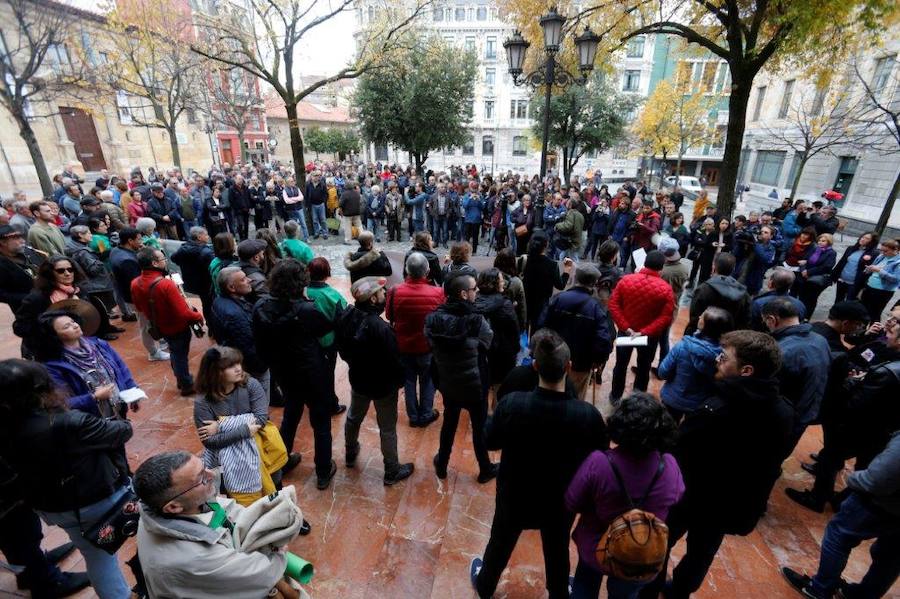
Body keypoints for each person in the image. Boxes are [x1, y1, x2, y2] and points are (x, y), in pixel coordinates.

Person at [642, 331, 795, 599]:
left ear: (746, 370)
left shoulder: (718, 409)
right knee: (702, 553)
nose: (717, 360)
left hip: (692, 496)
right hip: (731, 504)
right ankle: (680, 591)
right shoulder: (783, 411)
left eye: (724, 358)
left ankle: (650, 589)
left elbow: (681, 449)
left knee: (662, 543)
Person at [471, 330, 608, 599]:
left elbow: (489, 441)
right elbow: (600, 459)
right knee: (556, 548)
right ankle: (558, 592)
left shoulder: (512, 404)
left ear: (534, 366)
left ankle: (485, 584)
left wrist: (493, 416)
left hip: (515, 493)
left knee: (500, 541)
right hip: (561, 499)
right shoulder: (588, 416)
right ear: (568, 367)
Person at [0, 359, 134, 599]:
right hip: (92, 500)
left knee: (88, 547)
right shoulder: (68, 422)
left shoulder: (6, 424)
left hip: (50, 504)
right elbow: (122, 432)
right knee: (102, 559)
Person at [133, 451, 300, 599]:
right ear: (173, 507)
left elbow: (224, 509)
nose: (212, 474)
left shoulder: (163, 508)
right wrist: (279, 551)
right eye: (201, 479)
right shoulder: (195, 559)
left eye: (204, 466)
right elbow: (264, 572)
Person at [566, 393, 684, 599]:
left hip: (595, 545)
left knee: (585, 586)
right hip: (639, 554)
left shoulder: (599, 463)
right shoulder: (669, 466)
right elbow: (677, 496)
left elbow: (572, 501)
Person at [781, 427, 900, 598]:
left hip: (879, 503)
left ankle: (819, 589)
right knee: (891, 557)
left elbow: (877, 480)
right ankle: (862, 595)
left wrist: (854, 479)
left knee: (838, 536)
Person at [253, 259, 337, 490]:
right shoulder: (306, 309)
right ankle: (322, 470)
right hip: (311, 370)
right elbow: (326, 328)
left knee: (291, 415)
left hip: (283, 370)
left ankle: (282, 460)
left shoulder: (260, 307)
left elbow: (260, 342)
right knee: (320, 421)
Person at [784, 300, 872, 513]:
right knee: (828, 451)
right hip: (815, 406)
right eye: (858, 325)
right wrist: (854, 381)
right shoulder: (837, 351)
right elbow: (834, 388)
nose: (858, 330)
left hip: (790, 398)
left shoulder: (808, 329)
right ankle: (819, 495)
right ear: (846, 323)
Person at [335, 277, 415, 485]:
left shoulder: (347, 315)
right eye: (381, 292)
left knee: (354, 417)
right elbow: (395, 361)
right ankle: (392, 469)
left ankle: (350, 453)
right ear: (372, 299)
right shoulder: (381, 328)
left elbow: (342, 349)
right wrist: (399, 382)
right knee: (387, 427)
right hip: (382, 386)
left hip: (359, 380)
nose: (384, 295)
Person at [193, 347, 288, 505]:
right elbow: (209, 441)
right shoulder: (203, 402)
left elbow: (261, 419)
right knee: (239, 500)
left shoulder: (250, 384)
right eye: (231, 366)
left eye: (238, 363)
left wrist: (221, 424)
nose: (238, 368)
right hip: (229, 460)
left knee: (275, 482)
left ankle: (285, 510)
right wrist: (244, 430)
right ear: (215, 372)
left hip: (262, 447)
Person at [426, 274, 497, 483]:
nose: (477, 292)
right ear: (464, 294)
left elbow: (430, 342)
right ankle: (485, 467)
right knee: (479, 426)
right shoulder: (476, 320)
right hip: (475, 383)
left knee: (449, 423)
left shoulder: (433, 319)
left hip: (448, 382)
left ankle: (442, 464)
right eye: (474, 289)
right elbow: (487, 342)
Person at [33, 311, 139, 420]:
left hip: (117, 404)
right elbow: (60, 403)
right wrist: (93, 397)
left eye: (73, 321)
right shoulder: (53, 366)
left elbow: (121, 367)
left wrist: (133, 392)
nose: (75, 325)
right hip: (90, 419)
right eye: (66, 326)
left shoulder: (99, 344)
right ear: (54, 336)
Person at [131, 247, 205, 396]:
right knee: (179, 355)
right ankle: (186, 383)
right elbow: (183, 313)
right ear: (154, 263)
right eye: (162, 259)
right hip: (176, 326)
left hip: (159, 326)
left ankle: (181, 379)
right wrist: (198, 317)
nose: (165, 261)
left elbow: (139, 307)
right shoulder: (166, 284)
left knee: (175, 352)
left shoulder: (135, 283)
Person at [761, 297, 832, 449]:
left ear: (772, 319)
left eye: (765, 321)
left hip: (781, 420)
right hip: (807, 412)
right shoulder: (820, 340)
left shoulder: (780, 351)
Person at [538, 263, 612, 401]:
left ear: (576, 278)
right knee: (575, 397)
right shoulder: (596, 307)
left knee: (550, 395)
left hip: (554, 358)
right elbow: (603, 340)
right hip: (581, 364)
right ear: (594, 283)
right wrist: (598, 360)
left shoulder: (558, 298)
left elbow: (542, 325)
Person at [608, 250, 675, 403]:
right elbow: (665, 317)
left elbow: (613, 304)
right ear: (661, 268)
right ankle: (638, 399)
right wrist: (644, 332)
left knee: (621, 364)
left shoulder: (626, 280)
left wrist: (625, 327)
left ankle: (615, 396)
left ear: (644, 263)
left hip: (626, 333)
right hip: (648, 337)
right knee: (644, 367)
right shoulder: (665, 289)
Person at [387, 252, 444, 427]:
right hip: (427, 346)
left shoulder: (394, 291)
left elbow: (390, 315)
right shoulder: (438, 293)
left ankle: (413, 415)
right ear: (427, 271)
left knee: (409, 381)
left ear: (407, 270)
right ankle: (426, 413)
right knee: (428, 380)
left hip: (403, 345)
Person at [658, 307, 733, 423]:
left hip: (673, 399)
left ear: (705, 325)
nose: (699, 317)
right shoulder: (724, 356)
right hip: (699, 404)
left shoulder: (682, 346)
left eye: (702, 317)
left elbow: (663, 372)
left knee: (667, 428)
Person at [210, 267, 272, 398]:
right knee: (259, 399)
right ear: (232, 287)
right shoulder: (235, 314)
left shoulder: (219, 301)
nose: (249, 280)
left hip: (235, 360)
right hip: (251, 366)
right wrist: (262, 367)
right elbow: (248, 346)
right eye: (243, 279)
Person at [110, 228, 169, 359]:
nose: (141, 241)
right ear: (130, 241)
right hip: (138, 299)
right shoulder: (127, 260)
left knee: (151, 321)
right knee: (146, 324)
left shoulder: (116, 250)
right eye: (139, 239)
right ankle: (153, 352)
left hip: (130, 296)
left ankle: (162, 340)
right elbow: (139, 284)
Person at [305, 257, 348, 417]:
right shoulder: (330, 294)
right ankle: (331, 404)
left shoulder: (303, 291)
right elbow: (344, 314)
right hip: (327, 339)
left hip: (307, 339)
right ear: (327, 273)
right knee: (327, 373)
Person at [474, 268, 521, 402]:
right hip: (502, 354)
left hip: (480, 352)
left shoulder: (474, 302)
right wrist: (515, 349)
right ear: (495, 283)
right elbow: (514, 330)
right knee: (500, 390)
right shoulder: (505, 304)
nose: (503, 283)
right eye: (501, 280)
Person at [684, 253, 750, 336]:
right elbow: (745, 320)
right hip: (728, 338)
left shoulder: (704, 289)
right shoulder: (744, 294)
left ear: (713, 267)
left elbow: (694, 316)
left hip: (702, 335)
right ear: (733, 269)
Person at [522, 234, 573, 333]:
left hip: (525, 299)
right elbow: (560, 285)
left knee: (522, 330)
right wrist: (567, 270)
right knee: (537, 331)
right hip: (541, 303)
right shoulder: (551, 265)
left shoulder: (524, 260)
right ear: (546, 246)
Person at [171, 226, 214, 322]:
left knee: (205, 304)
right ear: (199, 237)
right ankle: (214, 327)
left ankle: (211, 327)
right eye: (206, 235)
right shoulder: (206, 252)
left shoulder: (183, 249)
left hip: (192, 283)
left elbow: (174, 258)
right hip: (207, 283)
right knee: (211, 305)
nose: (208, 236)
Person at [0, 224, 44, 314]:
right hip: (26, 309)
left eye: (22, 237)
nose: (22, 241)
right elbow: (2, 295)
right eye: (16, 238)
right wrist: (30, 297)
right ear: (3, 242)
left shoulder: (28, 252)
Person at [795, 233, 838, 319]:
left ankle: (806, 317)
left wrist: (809, 272)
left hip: (817, 279)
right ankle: (798, 313)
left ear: (829, 242)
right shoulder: (815, 249)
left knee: (811, 299)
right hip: (805, 276)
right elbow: (805, 259)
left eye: (823, 241)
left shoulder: (831, 253)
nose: (820, 242)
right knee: (802, 296)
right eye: (819, 240)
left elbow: (826, 267)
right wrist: (803, 270)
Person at [832, 231, 880, 302]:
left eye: (867, 238)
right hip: (842, 280)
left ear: (872, 241)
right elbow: (841, 262)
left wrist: (866, 260)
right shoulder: (851, 248)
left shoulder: (874, 253)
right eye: (862, 237)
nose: (863, 239)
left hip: (855, 283)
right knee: (838, 300)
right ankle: (834, 313)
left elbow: (868, 271)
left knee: (849, 302)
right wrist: (833, 276)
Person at [860, 239, 900, 322]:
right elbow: (873, 267)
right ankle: (860, 330)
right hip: (870, 286)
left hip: (883, 291)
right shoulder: (881, 256)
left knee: (874, 313)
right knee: (862, 310)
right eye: (881, 250)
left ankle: (873, 331)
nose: (883, 253)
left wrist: (879, 271)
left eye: (885, 251)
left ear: (895, 250)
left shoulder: (897, 262)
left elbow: (896, 279)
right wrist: (869, 269)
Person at [494, 248, 527, 331]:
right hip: (510, 320)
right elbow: (522, 306)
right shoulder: (516, 282)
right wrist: (522, 325)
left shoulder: (489, 276)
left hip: (493, 319)